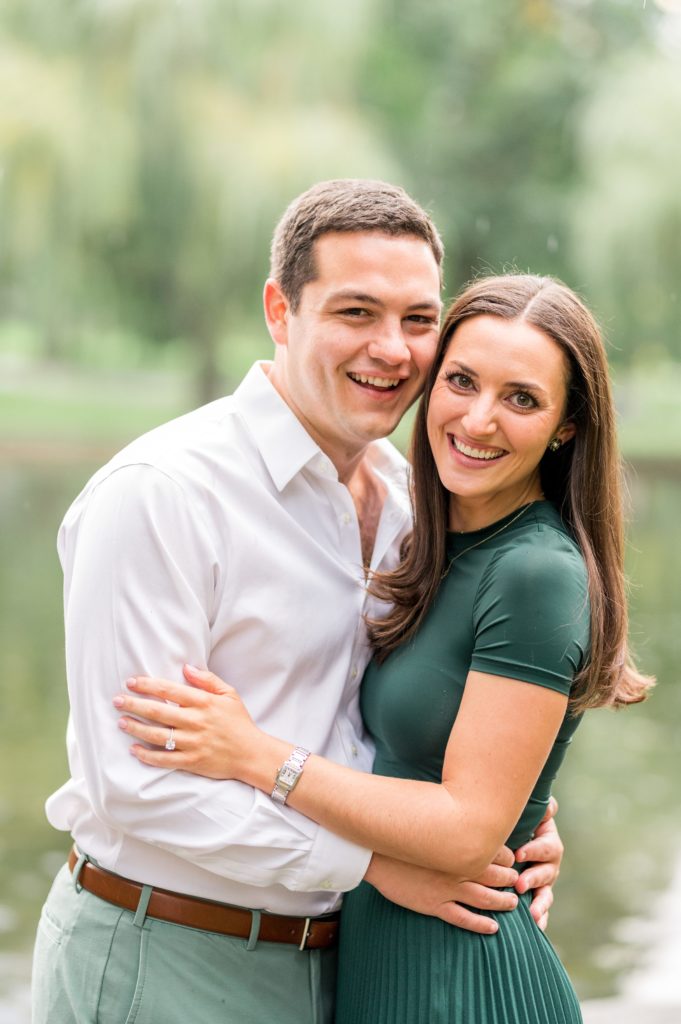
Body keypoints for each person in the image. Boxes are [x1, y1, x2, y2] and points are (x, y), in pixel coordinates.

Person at [33, 182, 565, 1024]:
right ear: (280, 311)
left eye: (418, 320)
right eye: (355, 312)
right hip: (166, 952)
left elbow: (396, 726)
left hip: (345, 967)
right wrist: (376, 862)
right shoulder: (164, 495)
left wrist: (504, 826)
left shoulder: (409, 502)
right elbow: (136, 783)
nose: (391, 349)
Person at [114, 273, 653, 1023]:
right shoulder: (430, 537)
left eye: (521, 399)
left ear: (566, 426)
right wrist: (528, 813)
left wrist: (256, 755)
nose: (478, 419)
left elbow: (468, 831)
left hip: (461, 978)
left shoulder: (533, 570)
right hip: (385, 953)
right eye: (460, 382)